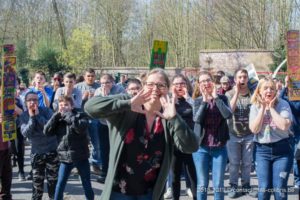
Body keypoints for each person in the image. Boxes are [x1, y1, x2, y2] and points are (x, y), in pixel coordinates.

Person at [84, 68, 199, 200]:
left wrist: (175, 119)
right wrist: (126, 104)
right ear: (143, 86)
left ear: (167, 89)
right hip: (119, 190)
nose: (155, 89)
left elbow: (191, 147)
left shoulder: (168, 116)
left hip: (149, 192)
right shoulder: (129, 103)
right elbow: (89, 107)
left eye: (161, 85)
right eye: (150, 84)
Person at [249, 77, 293, 200]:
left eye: (272, 88)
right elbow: (254, 129)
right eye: (266, 88)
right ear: (259, 91)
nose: (269, 91)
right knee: (264, 189)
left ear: (276, 91)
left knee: (279, 189)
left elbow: (284, 125)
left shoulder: (283, 104)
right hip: (262, 151)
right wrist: (263, 108)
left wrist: (271, 108)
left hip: (282, 151)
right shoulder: (255, 107)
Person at [44, 96, 94, 200]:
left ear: (72, 106)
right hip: (65, 158)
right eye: (61, 105)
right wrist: (55, 117)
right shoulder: (58, 118)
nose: (63, 107)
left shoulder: (81, 115)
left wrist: (69, 115)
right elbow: (46, 132)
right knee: (60, 184)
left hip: (81, 156)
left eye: (66, 105)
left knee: (86, 183)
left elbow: (80, 128)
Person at [192, 71, 232, 200]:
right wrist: (204, 101)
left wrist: (216, 98)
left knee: (218, 184)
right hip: (201, 148)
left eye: (207, 80)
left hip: (219, 147)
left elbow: (228, 115)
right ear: (199, 84)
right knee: (202, 184)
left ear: (212, 82)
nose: (205, 83)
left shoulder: (223, 98)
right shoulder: (197, 101)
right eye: (202, 81)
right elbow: (197, 119)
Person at [19, 91, 59, 200]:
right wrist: (32, 118)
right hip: (36, 153)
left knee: (53, 182)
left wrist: (38, 116)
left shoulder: (47, 111)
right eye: (30, 100)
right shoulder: (23, 116)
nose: (33, 102)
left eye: (35, 100)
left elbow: (51, 128)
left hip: (52, 151)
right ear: (26, 102)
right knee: (37, 184)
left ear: (38, 101)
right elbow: (26, 133)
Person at [225, 69, 256, 198]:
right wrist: (237, 92)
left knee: (247, 162)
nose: (242, 79)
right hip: (233, 134)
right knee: (234, 163)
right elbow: (229, 111)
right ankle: (233, 185)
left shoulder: (253, 93)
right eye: (240, 77)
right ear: (235, 79)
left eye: (244, 77)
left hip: (249, 134)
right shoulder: (229, 94)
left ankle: (246, 185)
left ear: (247, 79)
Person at [169, 74, 197, 200]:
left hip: (190, 141)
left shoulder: (192, 99)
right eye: (176, 84)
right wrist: (173, 100)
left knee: (192, 174)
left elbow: (198, 114)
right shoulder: (169, 100)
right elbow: (168, 116)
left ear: (187, 85)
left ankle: (195, 196)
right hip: (174, 143)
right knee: (175, 175)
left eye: (182, 83)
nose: (179, 86)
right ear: (171, 86)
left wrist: (188, 98)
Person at [93, 73, 125, 183]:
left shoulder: (120, 89)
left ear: (113, 82)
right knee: (104, 149)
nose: (104, 85)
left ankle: (117, 173)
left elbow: (119, 106)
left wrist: (106, 98)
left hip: (116, 125)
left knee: (116, 149)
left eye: (107, 82)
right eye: (102, 83)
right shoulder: (98, 91)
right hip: (103, 124)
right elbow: (96, 108)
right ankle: (105, 172)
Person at [75, 68, 101, 174]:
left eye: (92, 76)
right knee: (80, 143)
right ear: (84, 76)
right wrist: (83, 98)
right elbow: (74, 105)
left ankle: (95, 164)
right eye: (88, 76)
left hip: (95, 118)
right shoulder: (78, 87)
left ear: (95, 76)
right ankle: (78, 165)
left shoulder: (99, 87)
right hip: (81, 118)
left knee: (96, 143)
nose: (90, 78)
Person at [279, 75, 300, 189]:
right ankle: (296, 180)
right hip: (292, 133)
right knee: (294, 158)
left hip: (296, 133)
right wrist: (285, 86)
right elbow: (279, 99)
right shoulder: (288, 100)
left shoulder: (293, 101)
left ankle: (297, 180)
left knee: (297, 158)